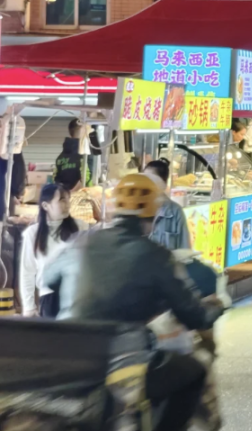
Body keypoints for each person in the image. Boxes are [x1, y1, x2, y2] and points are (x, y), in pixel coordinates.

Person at [72, 174, 223, 431]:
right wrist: (214, 308)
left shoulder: (87, 242)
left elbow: (52, 278)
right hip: (126, 357)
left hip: (80, 351)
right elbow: (192, 314)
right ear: (152, 217)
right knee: (193, 371)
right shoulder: (156, 255)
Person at [19, 183, 87, 318]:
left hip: (77, 297)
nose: (67, 204)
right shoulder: (33, 233)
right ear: (45, 206)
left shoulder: (80, 227)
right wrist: (29, 306)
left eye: (68, 199)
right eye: (61, 200)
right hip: (49, 299)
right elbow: (27, 272)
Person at [145, 158, 191, 251]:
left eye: (152, 180)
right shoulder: (137, 209)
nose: (146, 184)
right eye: (144, 179)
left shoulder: (175, 212)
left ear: (164, 184)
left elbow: (184, 250)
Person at [54, 118, 92, 189]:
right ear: (83, 130)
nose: (91, 132)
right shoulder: (85, 154)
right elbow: (87, 179)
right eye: (89, 129)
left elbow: (55, 180)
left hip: (63, 197)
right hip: (82, 196)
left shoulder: (60, 157)